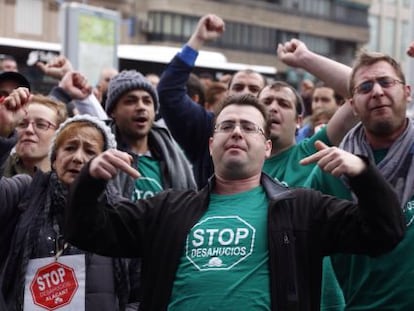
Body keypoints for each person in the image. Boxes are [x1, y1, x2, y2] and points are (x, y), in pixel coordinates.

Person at [65, 93, 404, 310]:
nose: (237, 132)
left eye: (248, 127)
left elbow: (385, 232)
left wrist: (362, 173)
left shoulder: (302, 209)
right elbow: (86, 230)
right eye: (227, 126)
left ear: (267, 147)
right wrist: (91, 179)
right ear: (212, 143)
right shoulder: (168, 209)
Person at [0, 89, 140, 310]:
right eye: (70, 148)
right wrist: (2, 131)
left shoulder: (121, 214)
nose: (78, 157)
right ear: (54, 160)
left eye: (90, 151)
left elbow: (141, 293)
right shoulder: (24, 192)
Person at [304, 50, 414, 310]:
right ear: (352, 104)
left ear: (407, 92)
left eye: (386, 82)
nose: (377, 92)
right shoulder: (330, 169)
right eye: (365, 87)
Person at [157, 14, 266, 188]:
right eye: (238, 87)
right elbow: (168, 93)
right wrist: (198, 39)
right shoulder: (207, 125)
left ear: (268, 146)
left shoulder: (276, 133)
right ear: (227, 92)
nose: (245, 92)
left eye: (254, 89)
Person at [104, 69, 197, 200]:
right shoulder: (100, 154)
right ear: (113, 111)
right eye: (130, 101)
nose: (141, 107)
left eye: (147, 101)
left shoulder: (173, 155)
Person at [3, 94, 68, 176]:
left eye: (41, 125)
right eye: (22, 124)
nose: (29, 130)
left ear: (58, 134)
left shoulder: (68, 179)